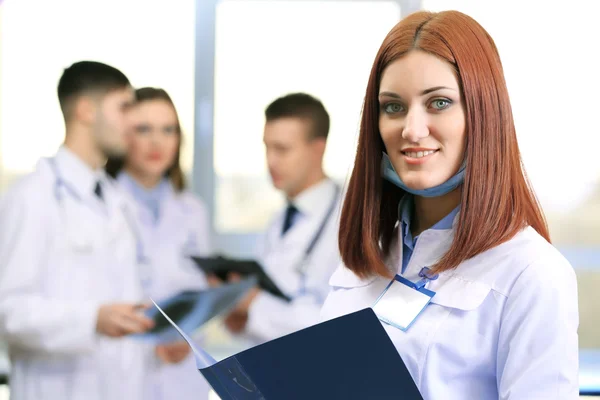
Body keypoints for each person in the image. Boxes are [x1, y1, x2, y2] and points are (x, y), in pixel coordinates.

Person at [320, 10, 579, 399]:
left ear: (483, 114)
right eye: (393, 106)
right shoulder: (363, 258)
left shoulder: (532, 274)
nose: (411, 129)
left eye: (438, 103)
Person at [0, 61, 155, 400]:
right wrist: (91, 319)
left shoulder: (117, 199)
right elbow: (9, 311)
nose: (133, 121)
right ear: (86, 110)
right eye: (124, 107)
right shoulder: (32, 197)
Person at [105, 87, 212, 400]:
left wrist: (189, 334)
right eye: (143, 129)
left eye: (168, 130)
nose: (157, 142)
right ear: (123, 135)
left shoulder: (192, 210)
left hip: (181, 375)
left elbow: (204, 297)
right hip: (120, 371)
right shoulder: (104, 205)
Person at [219, 93, 342, 345]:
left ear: (318, 149)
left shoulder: (350, 220)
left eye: (282, 149)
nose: (270, 161)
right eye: (267, 147)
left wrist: (254, 303)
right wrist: (242, 315)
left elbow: (339, 322)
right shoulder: (281, 218)